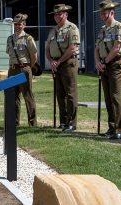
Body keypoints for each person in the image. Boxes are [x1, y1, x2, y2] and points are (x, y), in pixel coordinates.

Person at [94, 0, 121, 140]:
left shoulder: (119, 27)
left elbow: (116, 48)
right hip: (104, 66)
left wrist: (104, 62)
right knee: (108, 98)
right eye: (101, 13)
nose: (102, 15)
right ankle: (112, 127)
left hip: (115, 65)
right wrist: (97, 63)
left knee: (115, 97)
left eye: (104, 13)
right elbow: (96, 49)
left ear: (112, 13)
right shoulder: (102, 30)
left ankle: (119, 130)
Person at [46, 4, 80, 132]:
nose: (57, 16)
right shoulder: (53, 30)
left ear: (66, 15)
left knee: (70, 93)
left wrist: (59, 61)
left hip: (68, 63)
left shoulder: (72, 28)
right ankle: (63, 121)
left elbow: (72, 48)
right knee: (60, 94)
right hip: (57, 65)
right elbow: (47, 49)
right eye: (55, 14)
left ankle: (72, 122)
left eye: (60, 14)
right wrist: (51, 61)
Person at [6, 13, 37, 127]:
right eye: (16, 24)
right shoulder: (10, 39)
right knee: (12, 97)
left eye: (20, 24)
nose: (17, 26)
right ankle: (14, 123)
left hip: (24, 69)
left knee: (28, 96)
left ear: (24, 25)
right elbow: (9, 55)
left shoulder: (28, 38)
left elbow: (34, 56)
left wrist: (29, 68)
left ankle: (32, 123)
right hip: (12, 70)